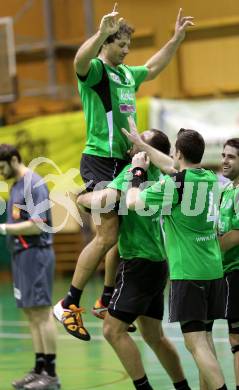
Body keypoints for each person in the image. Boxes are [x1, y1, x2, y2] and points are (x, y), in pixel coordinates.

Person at [54, 4, 194, 340]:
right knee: (107, 235)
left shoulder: (126, 74)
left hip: (123, 161)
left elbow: (153, 66)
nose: (127, 49)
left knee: (121, 234)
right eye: (121, 45)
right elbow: (78, 63)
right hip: (99, 159)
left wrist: (176, 39)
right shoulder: (98, 72)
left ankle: (105, 297)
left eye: (128, 45)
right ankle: (69, 303)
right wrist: (100, 32)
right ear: (106, 44)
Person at [77, 129, 191, 390]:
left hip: (138, 263)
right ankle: (182, 387)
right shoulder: (160, 175)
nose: (130, 149)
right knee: (155, 336)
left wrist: (80, 197)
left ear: (146, 153)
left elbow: (101, 201)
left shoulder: (132, 173)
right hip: (157, 263)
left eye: (138, 145)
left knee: (111, 331)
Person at [125, 128, 227, 390]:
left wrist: (137, 172)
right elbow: (174, 167)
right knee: (205, 338)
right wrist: (141, 144)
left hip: (188, 272)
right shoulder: (209, 178)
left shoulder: (174, 185)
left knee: (195, 343)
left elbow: (133, 201)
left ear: (179, 153)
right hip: (213, 269)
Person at [0, 144, 60, 390]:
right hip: (21, 256)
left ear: (14, 159)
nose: (0, 172)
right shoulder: (15, 186)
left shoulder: (33, 184)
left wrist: (3, 229)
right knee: (30, 313)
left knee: (42, 313)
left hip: (36, 255)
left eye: (1, 166)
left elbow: (37, 225)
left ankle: (52, 375)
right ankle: (39, 368)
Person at [218, 138, 239, 390]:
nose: (224, 160)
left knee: (237, 338)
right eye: (223, 155)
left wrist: (210, 251)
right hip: (227, 273)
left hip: (236, 272)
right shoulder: (227, 190)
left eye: (231, 156)